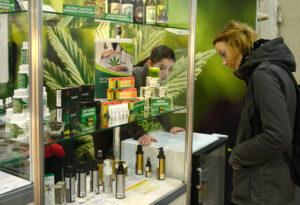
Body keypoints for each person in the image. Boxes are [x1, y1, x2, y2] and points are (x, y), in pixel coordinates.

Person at [213, 20, 296, 205]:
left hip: (263, 190)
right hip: (273, 183)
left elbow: (279, 135)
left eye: (223, 54)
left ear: (236, 44)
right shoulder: (275, 69)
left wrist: (237, 154)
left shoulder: (263, 74)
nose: (224, 62)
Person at [125, 45, 185, 146]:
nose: (166, 74)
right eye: (162, 68)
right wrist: (140, 134)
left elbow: (158, 104)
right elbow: (125, 111)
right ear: (149, 64)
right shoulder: (132, 76)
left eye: (170, 69)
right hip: (111, 135)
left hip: (129, 136)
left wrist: (169, 127)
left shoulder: (155, 78)